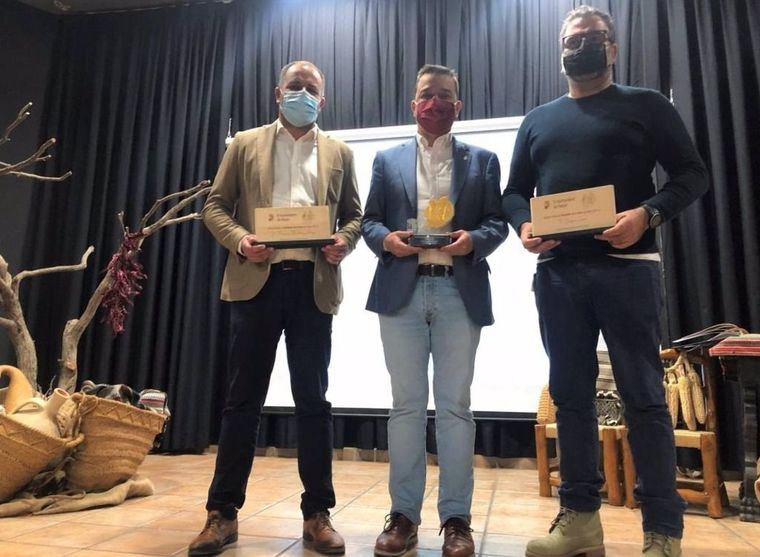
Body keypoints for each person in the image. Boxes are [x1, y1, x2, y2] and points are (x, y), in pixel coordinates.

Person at [501, 6, 709, 557]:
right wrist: (523, 225)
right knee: (570, 398)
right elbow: (514, 192)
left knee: (644, 398)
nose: (581, 46)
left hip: (629, 269)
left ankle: (662, 531)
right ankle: (580, 521)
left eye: (593, 37)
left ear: (612, 48)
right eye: (572, 39)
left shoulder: (647, 105)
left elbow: (693, 174)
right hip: (558, 274)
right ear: (560, 51)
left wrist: (648, 214)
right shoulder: (538, 120)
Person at [191, 60, 362, 556]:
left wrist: (344, 241)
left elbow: (354, 215)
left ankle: (317, 514)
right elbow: (214, 206)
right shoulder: (245, 143)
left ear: (322, 100)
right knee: (241, 401)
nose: (301, 93)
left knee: (313, 402)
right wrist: (241, 240)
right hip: (257, 284)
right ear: (277, 92)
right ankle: (222, 513)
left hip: (313, 285)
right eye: (294, 86)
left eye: (311, 88)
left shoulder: (340, 152)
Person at [362, 64, 508, 557]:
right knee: (405, 407)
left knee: (454, 408)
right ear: (413, 103)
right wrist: (388, 240)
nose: (435, 102)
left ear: (458, 106)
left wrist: (474, 241)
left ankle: (456, 520)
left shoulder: (483, 160)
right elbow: (370, 222)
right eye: (427, 94)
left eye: (445, 95)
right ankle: (403, 516)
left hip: (457, 292)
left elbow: (497, 223)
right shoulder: (386, 159)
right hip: (401, 291)